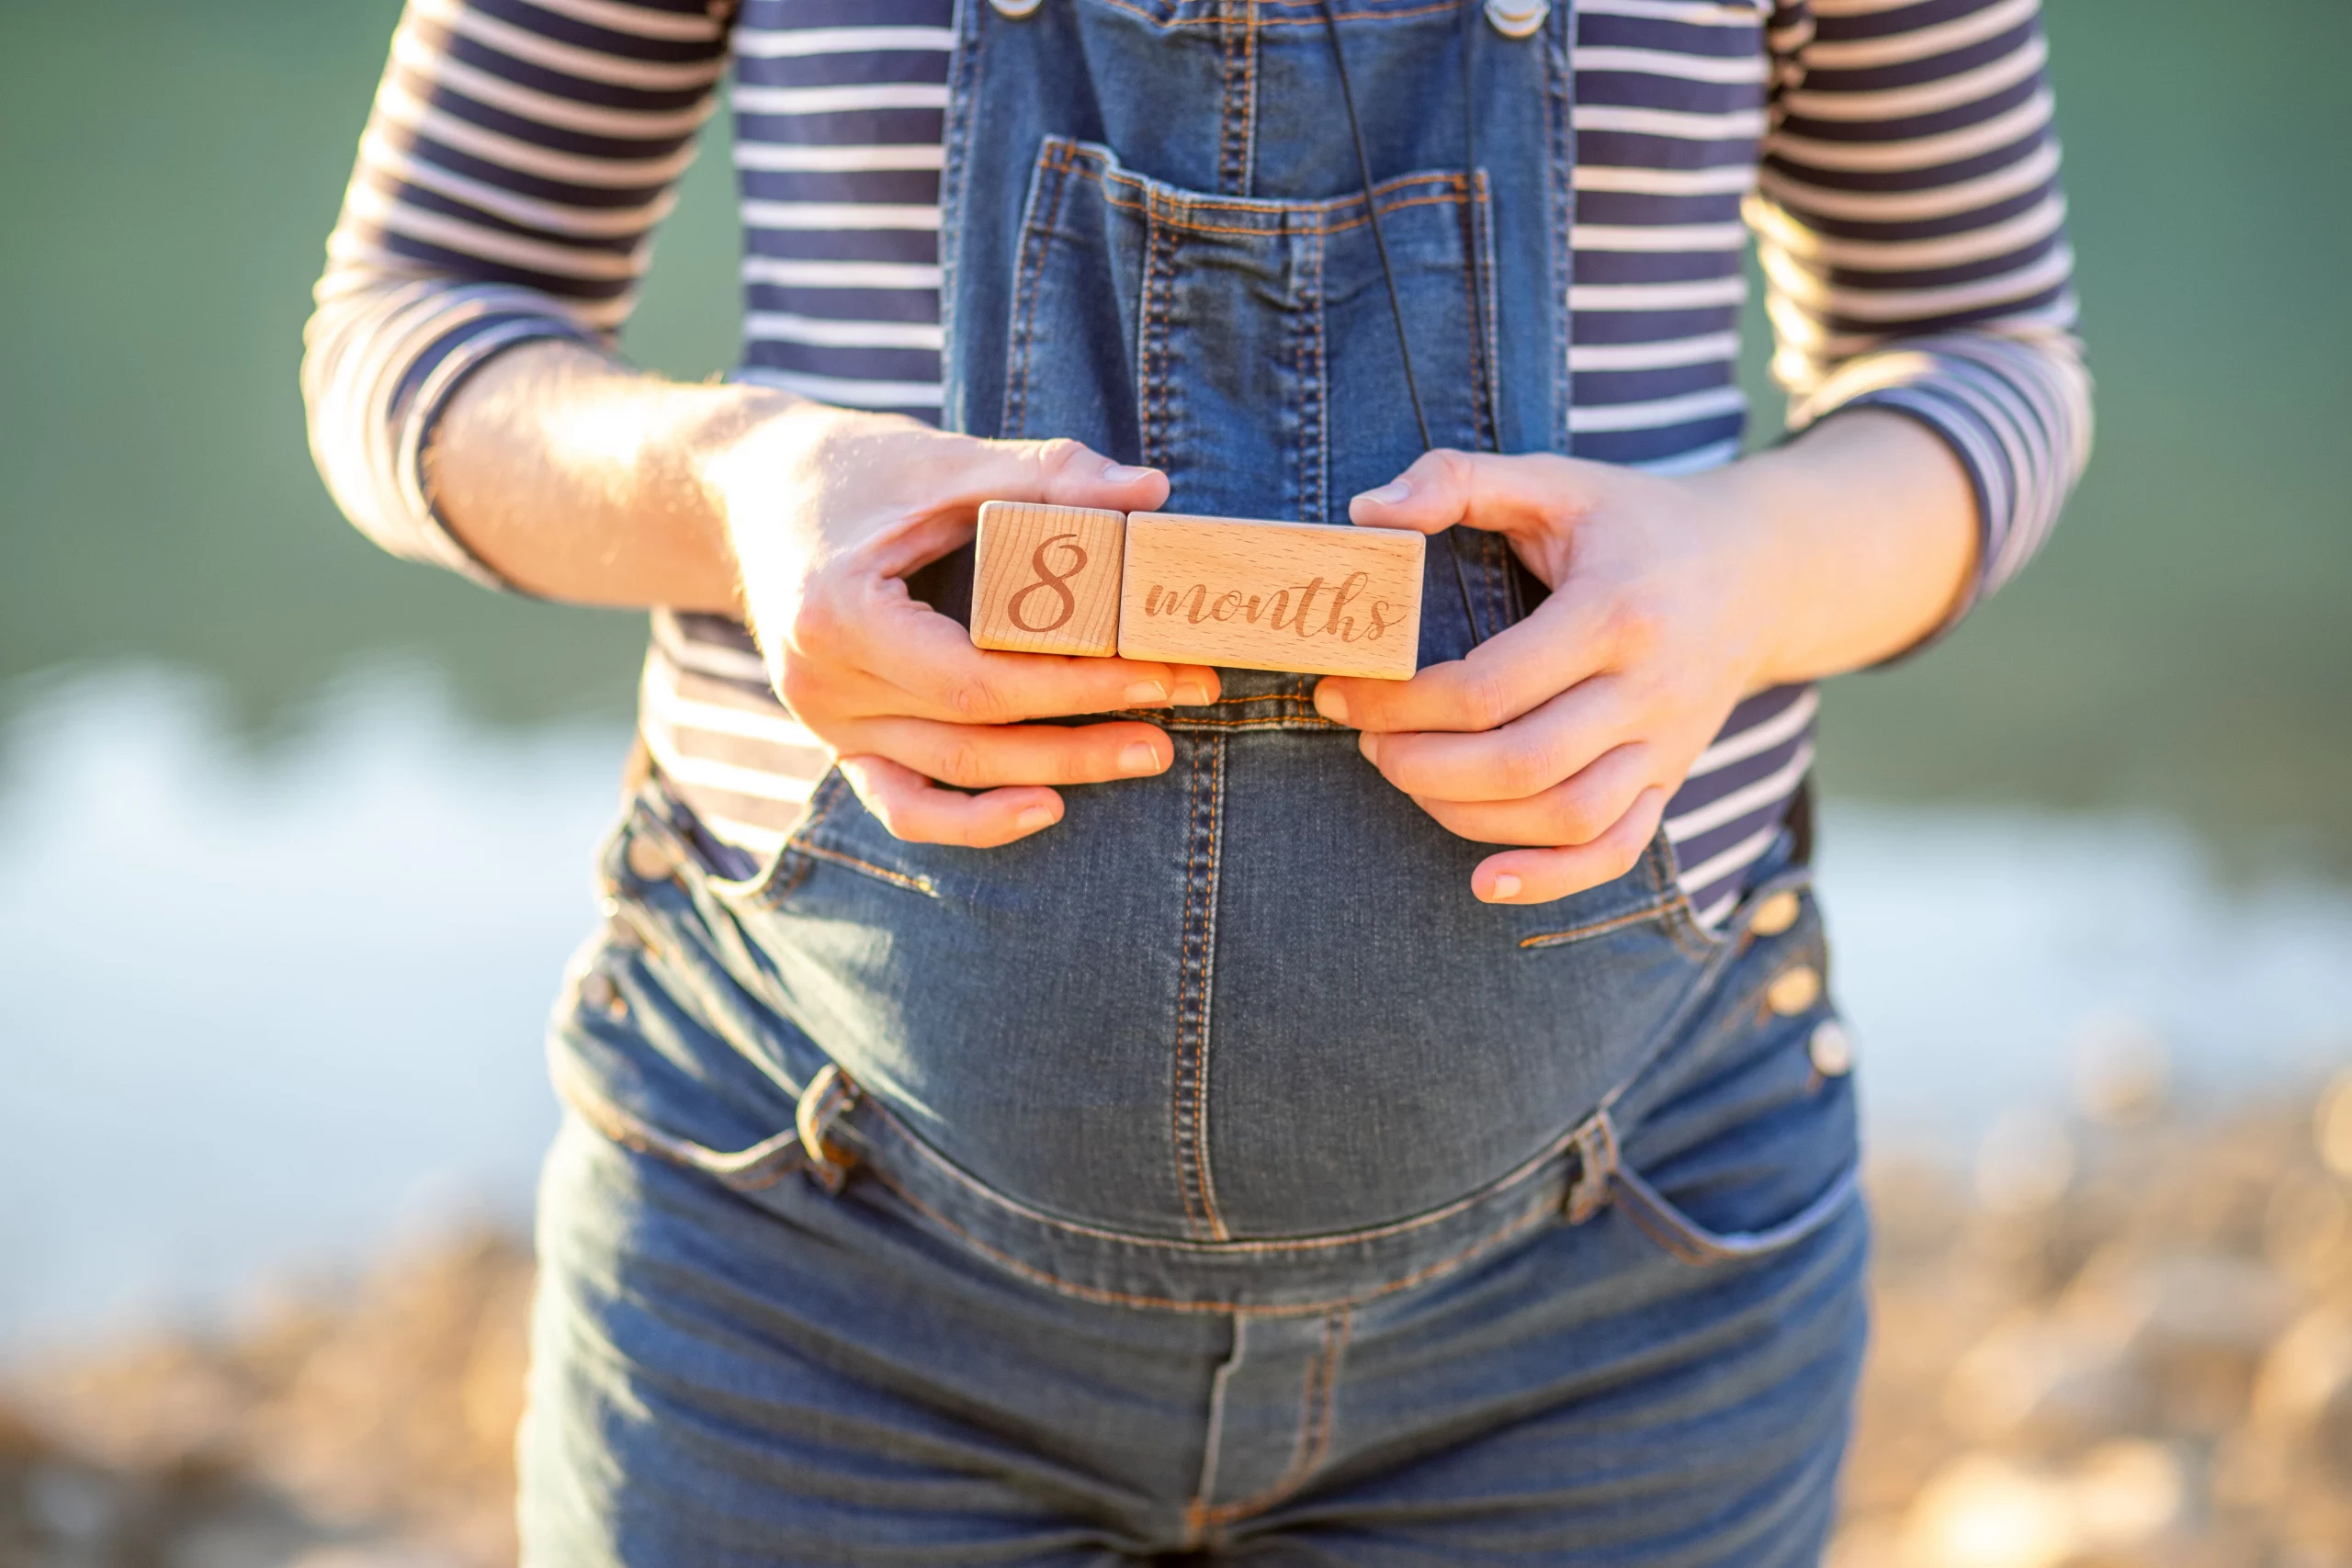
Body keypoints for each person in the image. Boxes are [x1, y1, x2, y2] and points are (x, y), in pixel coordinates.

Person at [304, 0, 2087, 1560]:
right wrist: (729, 488)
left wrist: (1743, 569)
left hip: (1611, 1317)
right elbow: (407, 321)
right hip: (802, 1288)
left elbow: (1985, 350)